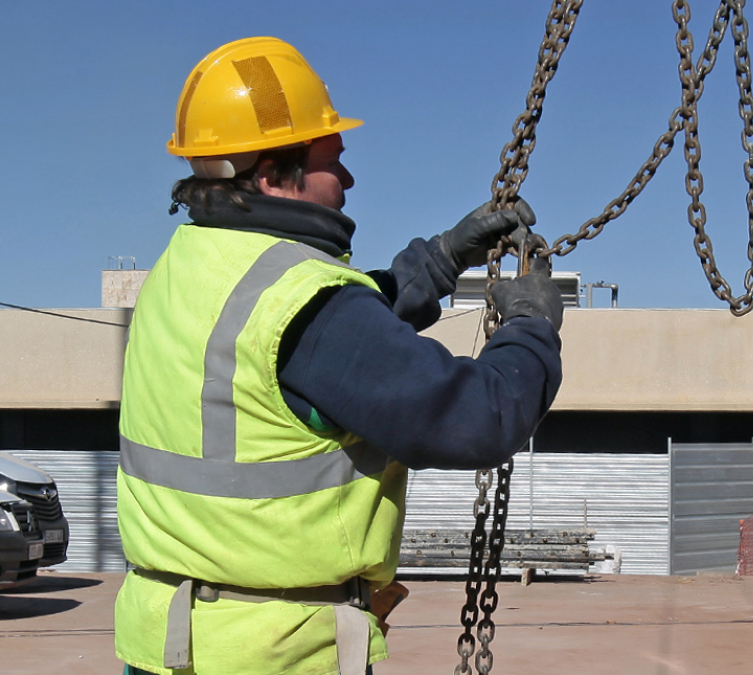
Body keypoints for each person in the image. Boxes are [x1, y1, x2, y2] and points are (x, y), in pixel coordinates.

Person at [114, 37, 564, 675]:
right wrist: (533, 326)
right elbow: (477, 419)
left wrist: (439, 260)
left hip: (171, 641)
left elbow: (327, 337)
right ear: (271, 173)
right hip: (274, 653)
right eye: (333, 160)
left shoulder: (185, 271)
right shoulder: (304, 304)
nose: (348, 179)